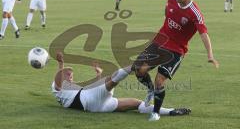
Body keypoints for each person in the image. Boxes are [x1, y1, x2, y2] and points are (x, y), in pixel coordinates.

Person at [131, 0, 219, 121]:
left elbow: (204, 34)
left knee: (160, 80)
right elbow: (168, 13)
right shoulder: (171, 0)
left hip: (176, 50)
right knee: (139, 69)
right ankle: (150, 90)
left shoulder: (194, 13)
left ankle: (156, 112)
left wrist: (210, 55)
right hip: (159, 42)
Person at [51, 52, 191, 116]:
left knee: (137, 104)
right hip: (88, 100)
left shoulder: (71, 90)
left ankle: (171, 111)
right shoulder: (58, 87)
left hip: (99, 106)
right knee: (113, 79)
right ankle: (137, 66)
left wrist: (98, 74)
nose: (70, 76)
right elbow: (59, 80)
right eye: (67, 74)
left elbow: (93, 88)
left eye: (71, 74)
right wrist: (61, 63)